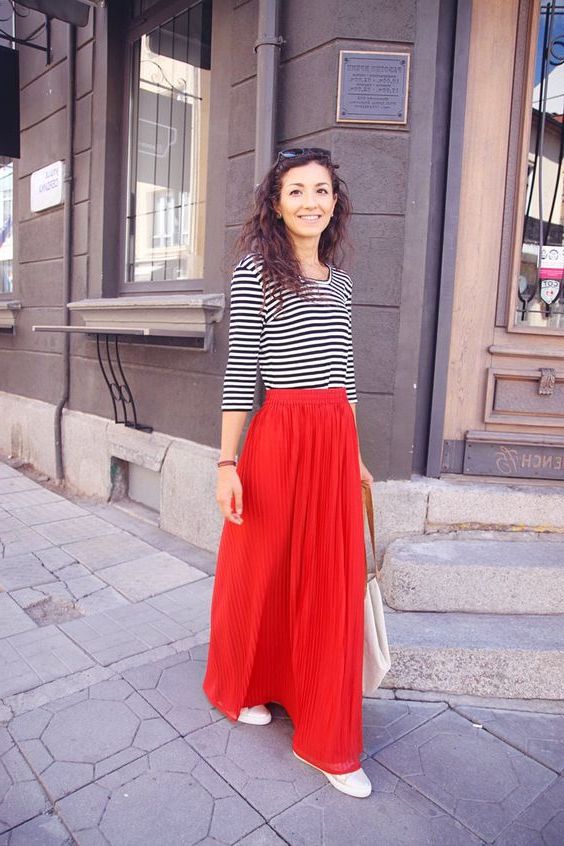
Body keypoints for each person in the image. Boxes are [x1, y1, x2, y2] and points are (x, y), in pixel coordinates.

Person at [202, 147, 374, 799]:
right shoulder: (255, 274)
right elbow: (241, 372)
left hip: (333, 441)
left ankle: (327, 739)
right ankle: (241, 684)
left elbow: (347, 372)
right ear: (277, 203)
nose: (310, 201)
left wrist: (355, 453)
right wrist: (226, 463)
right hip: (279, 437)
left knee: (330, 581)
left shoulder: (342, 279)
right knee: (262, 569)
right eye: (297, 190)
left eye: (321, 190)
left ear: (336, 201)